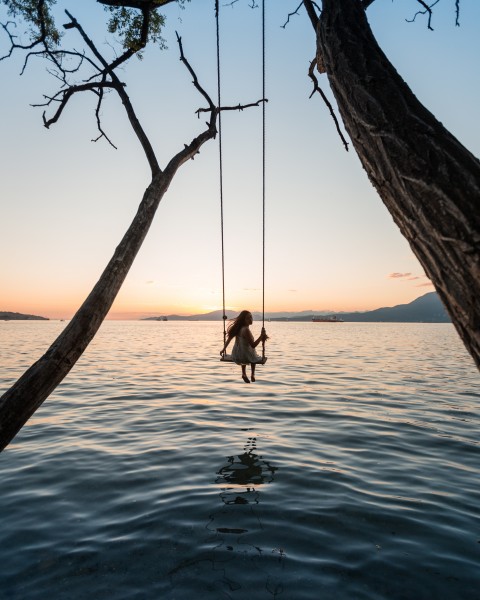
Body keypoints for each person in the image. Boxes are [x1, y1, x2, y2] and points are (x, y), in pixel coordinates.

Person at [220, 310, 268, 383]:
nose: (251, 319)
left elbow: (229, 339)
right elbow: (253, 345)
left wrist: (223, 349)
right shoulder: (246, 330)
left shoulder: (238, 328)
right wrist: (261, 336)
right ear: (244, 320)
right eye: (248, 318)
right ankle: (252, 374)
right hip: (246, 355)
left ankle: (244, 373)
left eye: (251, 317)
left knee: (245, 354)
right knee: (254, 357)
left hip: (236, 355)